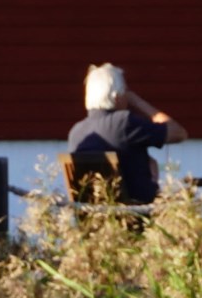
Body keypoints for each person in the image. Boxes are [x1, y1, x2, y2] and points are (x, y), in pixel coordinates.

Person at [64, 63, 185, 205]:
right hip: (135, 215)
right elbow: (178, 133)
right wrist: (137, 101)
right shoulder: (124, 122)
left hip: (93, 219)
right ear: (117, 97)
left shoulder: (77, 131)